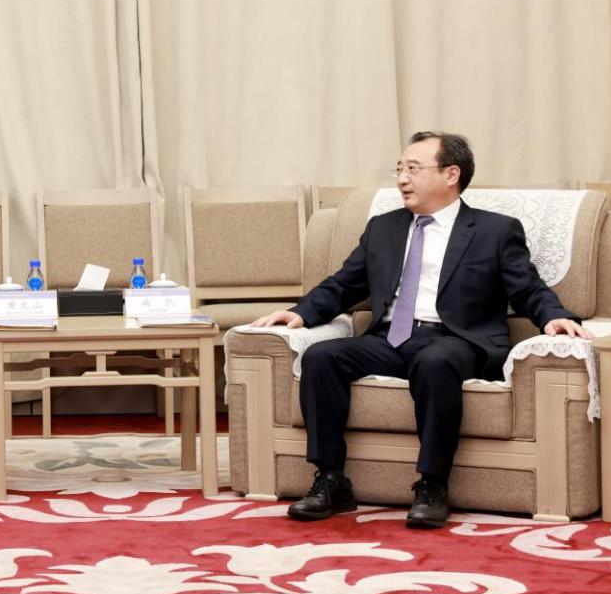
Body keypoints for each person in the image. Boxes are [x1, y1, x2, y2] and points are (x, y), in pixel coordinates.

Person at [252, 131, 591, 528]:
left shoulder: (494, 231)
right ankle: (331, 479)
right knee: (322, 356)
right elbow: (344, 284)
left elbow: (527, 287)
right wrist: (300, 313)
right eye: (399, 169)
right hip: (390, 339)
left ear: (451, 174)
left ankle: (432, 484)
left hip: (457, 341)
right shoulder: (383, 228)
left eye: (413, 169)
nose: (402, 179)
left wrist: (553, 316)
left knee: (435, 361)